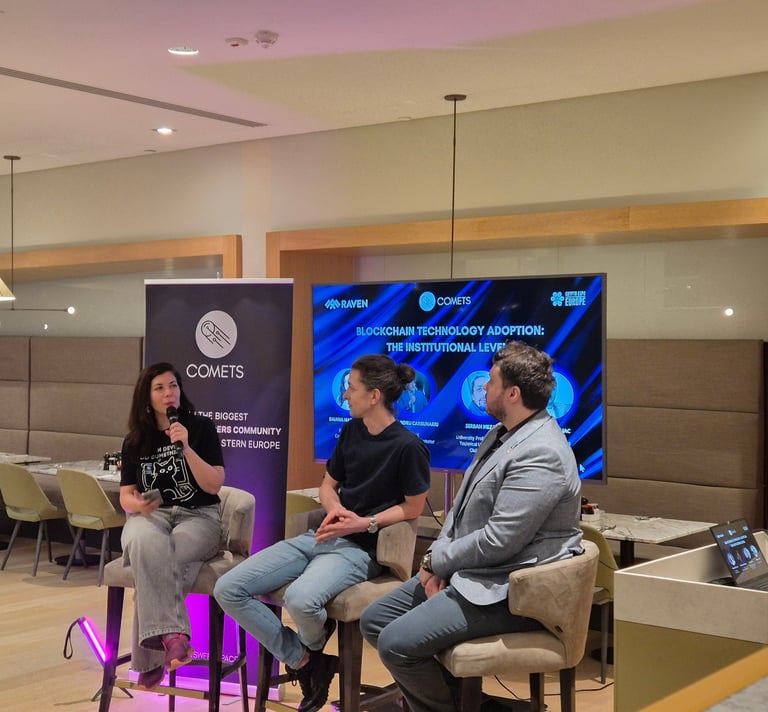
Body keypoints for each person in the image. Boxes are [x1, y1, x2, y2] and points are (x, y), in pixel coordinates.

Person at [360, 341, 583, 712]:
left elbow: (499, 541)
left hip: (510, 588)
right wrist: (439, 561)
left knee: (396, 643)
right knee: (375, 620)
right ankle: (466, 704)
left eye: (490, 382)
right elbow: (459, 511)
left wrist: (436, 562)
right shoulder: (502, 433)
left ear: (513, 394)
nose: (483, 388)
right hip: (472, 570)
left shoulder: (542, 452)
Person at [214, 354, 431, 712]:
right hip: (320, 535)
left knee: (301, 600)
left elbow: (413, 507)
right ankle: (306, 659)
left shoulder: (408, 447)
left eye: (351, 388)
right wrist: (335, 510)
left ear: (374, 396)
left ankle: (309, 655)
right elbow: (328, 485)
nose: (345, 395)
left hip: (360, 548)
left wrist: (363, 522)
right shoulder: (351, 431)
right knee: (228, 588)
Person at [119, 361, 225, 691]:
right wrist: (138, 505)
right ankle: (174, 637)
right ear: (146, 397)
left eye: (173, 386)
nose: (169, 393)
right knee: (141, 540)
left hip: (199, 517)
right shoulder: (134, 440)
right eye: (160, 388)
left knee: (157, 560)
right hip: (153, 517)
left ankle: (152, 657)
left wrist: (187, 448)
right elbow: (125, 496)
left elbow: (214, 484)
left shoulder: (201, 427)